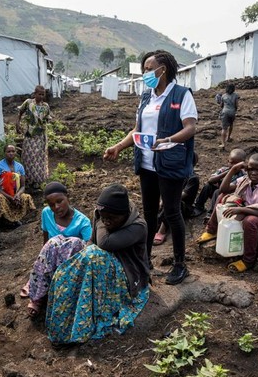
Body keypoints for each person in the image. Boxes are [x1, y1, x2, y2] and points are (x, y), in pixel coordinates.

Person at [104, 50, 197, 285]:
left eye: (148, 68)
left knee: (172, 212)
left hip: (169, 163)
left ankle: (179, 264)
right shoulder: (146, 97)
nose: (145, 73)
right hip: (147, 164)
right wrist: (118, 147)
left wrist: (167, 140)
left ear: (162, 70)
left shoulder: (181, 95)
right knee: (149, 214)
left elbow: (190, 128)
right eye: (144, 69)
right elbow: (137, 129)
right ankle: (145, 260)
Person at [45, 184, 150, 345]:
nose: (106, 221)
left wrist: (100, 218)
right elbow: (91, 241)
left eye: (111, 218)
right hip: (104, 269)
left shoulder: (138, 226)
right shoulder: (102, 213)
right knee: (75, 260)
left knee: (94, 256)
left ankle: (85, 320)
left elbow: (103, 242)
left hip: (129, 275)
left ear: (124, 214)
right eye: (103, 216)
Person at [196, 153, 258, 273]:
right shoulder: (245, 180)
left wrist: (241, 210)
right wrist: (233, 170)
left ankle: (248, 261)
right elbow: (223, 189)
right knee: (222, 196)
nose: (253, 173)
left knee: (249, 221)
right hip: (247, 209)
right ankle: (211, 230)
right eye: (250, 169)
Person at [20, 182, 92, 317]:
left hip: (71, 264)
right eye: (51, 204)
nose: (56, 207)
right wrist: (43, 261)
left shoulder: (83, 222)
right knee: (52, 244)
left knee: (72, 241)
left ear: (67, 197)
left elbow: (89, 249)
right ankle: (37, 298)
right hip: (52, 259)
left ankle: (58, 291)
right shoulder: (46, 214)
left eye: (60, 201)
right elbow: (45, 241)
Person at [154, 152, 200, 246]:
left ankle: (162, 230)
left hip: (184, 206)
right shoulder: (178, 175)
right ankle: (156, 223)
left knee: (174, 203)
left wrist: (167, 199)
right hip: (173, 200)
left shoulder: (193, 178)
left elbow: (184, 194)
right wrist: (163, 199)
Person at [192, 148, 247, 218]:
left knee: (218, 192)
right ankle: (199, 207)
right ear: (228, 161)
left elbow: (226, 189)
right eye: (231, 162)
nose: (233, 165)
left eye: (236, 164)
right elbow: (210, 180)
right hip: (218, 192)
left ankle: (211, 213)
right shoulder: (224, 169)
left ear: (242, 163)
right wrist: (229, 172)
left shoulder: (243, 175)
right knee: (208, 186)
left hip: (229, 196)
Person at [16, 85, 51, 188]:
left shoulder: (46, 106)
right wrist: (17, 124)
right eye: (39, 94)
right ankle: (27, 180)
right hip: (30, 135)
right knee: (28, 156)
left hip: (41, 136)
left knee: (39, 157)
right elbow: (20, 112)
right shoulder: (28, 102)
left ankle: (37, 181)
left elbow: (47, 118)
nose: (41, 96)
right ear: (34, 94)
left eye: (42, 94)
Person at [0, 144, 36, 225]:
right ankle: (5, 221)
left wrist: (17, 195)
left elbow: (23, 186)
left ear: (16, 153)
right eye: (8, 151)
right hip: (3, 193)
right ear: (4, 153)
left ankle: (17, 219)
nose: (11, 153)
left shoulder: (20, 166)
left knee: (26, 197)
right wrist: (9, 197)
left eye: (13, 151)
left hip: (16, 195)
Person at [219, 84, 239, 150]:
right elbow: (236, 105)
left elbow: (221, 105)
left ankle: (223, 143)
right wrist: (234, 110)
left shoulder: (223, 96)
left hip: (225, 112)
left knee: (224, 128)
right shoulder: (236, 95)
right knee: (231, 125)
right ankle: (228, 137)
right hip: (232, 112)